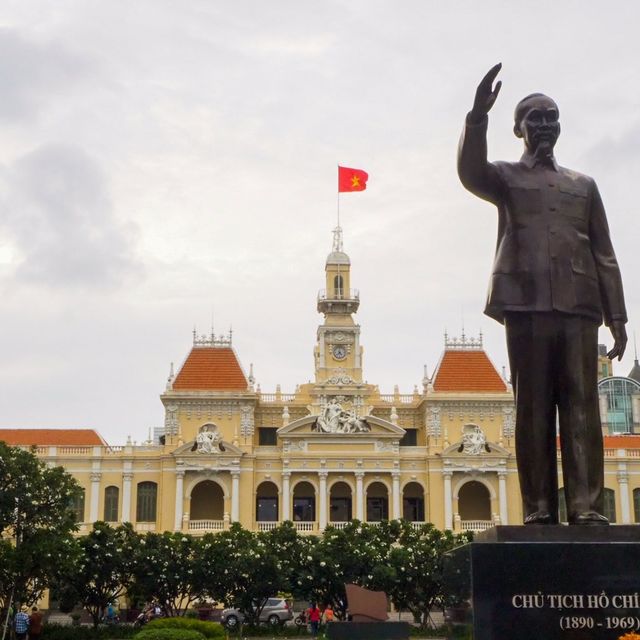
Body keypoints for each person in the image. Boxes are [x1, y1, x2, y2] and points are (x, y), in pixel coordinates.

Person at [458, 63, 628, 525]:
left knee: (582, 407)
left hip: (580, 305)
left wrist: (618, 314)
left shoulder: (583, 185)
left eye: (552, 118)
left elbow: (605, 252)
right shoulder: (507, 177)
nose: (545, 125)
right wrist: (477, 118)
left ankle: (588, 507)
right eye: (535, 118)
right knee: (531, 406)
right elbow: (470, 172)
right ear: (519, 128)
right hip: (525, 302)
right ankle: (538, 508)